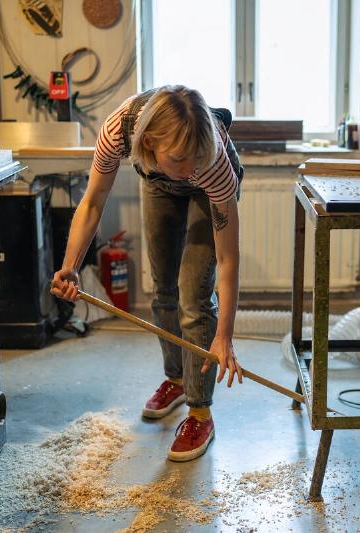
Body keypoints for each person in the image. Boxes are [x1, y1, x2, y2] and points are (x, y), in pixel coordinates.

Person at [50, 85, 244, 462]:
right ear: (150, 143)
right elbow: (92, 203)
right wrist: (70, 267)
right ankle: (176, 380)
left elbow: (229, 256)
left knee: (194, 296)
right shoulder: (116, 132)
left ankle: (200, 410)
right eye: (180, 159)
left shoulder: (212, 164)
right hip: (157, 183)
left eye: (196, 159)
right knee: (163, 291)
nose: (190, 170)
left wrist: (225, 336)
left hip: (210, 190)